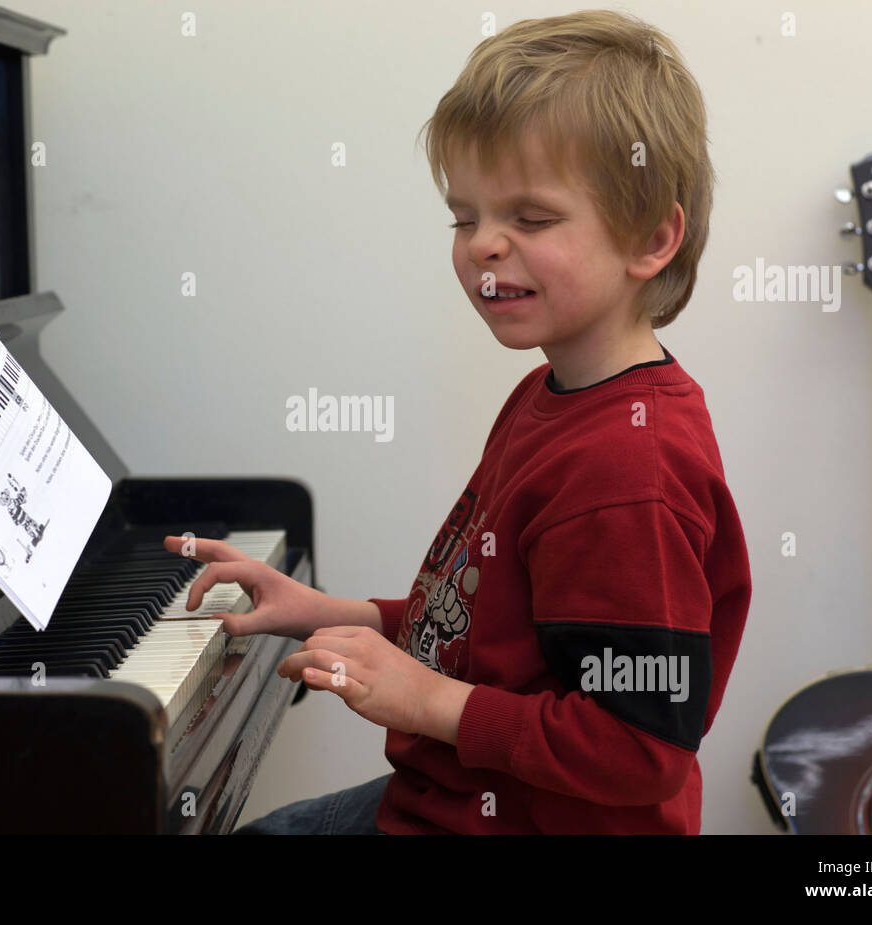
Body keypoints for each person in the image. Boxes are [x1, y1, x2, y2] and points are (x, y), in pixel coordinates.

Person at [164, 9, 751, 835]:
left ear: (651, 239)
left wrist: (432, 702)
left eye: (531, 219)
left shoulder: (631, 472)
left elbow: (640, 748)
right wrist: (330, 610)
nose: (483, 246)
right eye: (464, 217)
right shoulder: (545, 397)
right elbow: (481, 632)